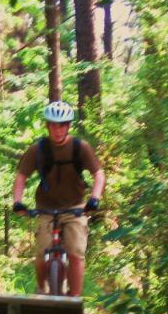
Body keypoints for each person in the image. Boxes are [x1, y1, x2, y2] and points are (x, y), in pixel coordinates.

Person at [10, 100, 105, 296]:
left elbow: (99, 175)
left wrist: (94, 199)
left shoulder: (81, 147)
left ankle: (74, 300)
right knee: (41, 252)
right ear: (48, 126)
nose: (58, 129)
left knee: (76, 253)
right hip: (45, 207)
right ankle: (42, 288)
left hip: (75, 207)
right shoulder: (38, 149)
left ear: (68, 126)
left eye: (62, 125)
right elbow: (21, 177)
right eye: (53, 124)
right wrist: (17, 202)